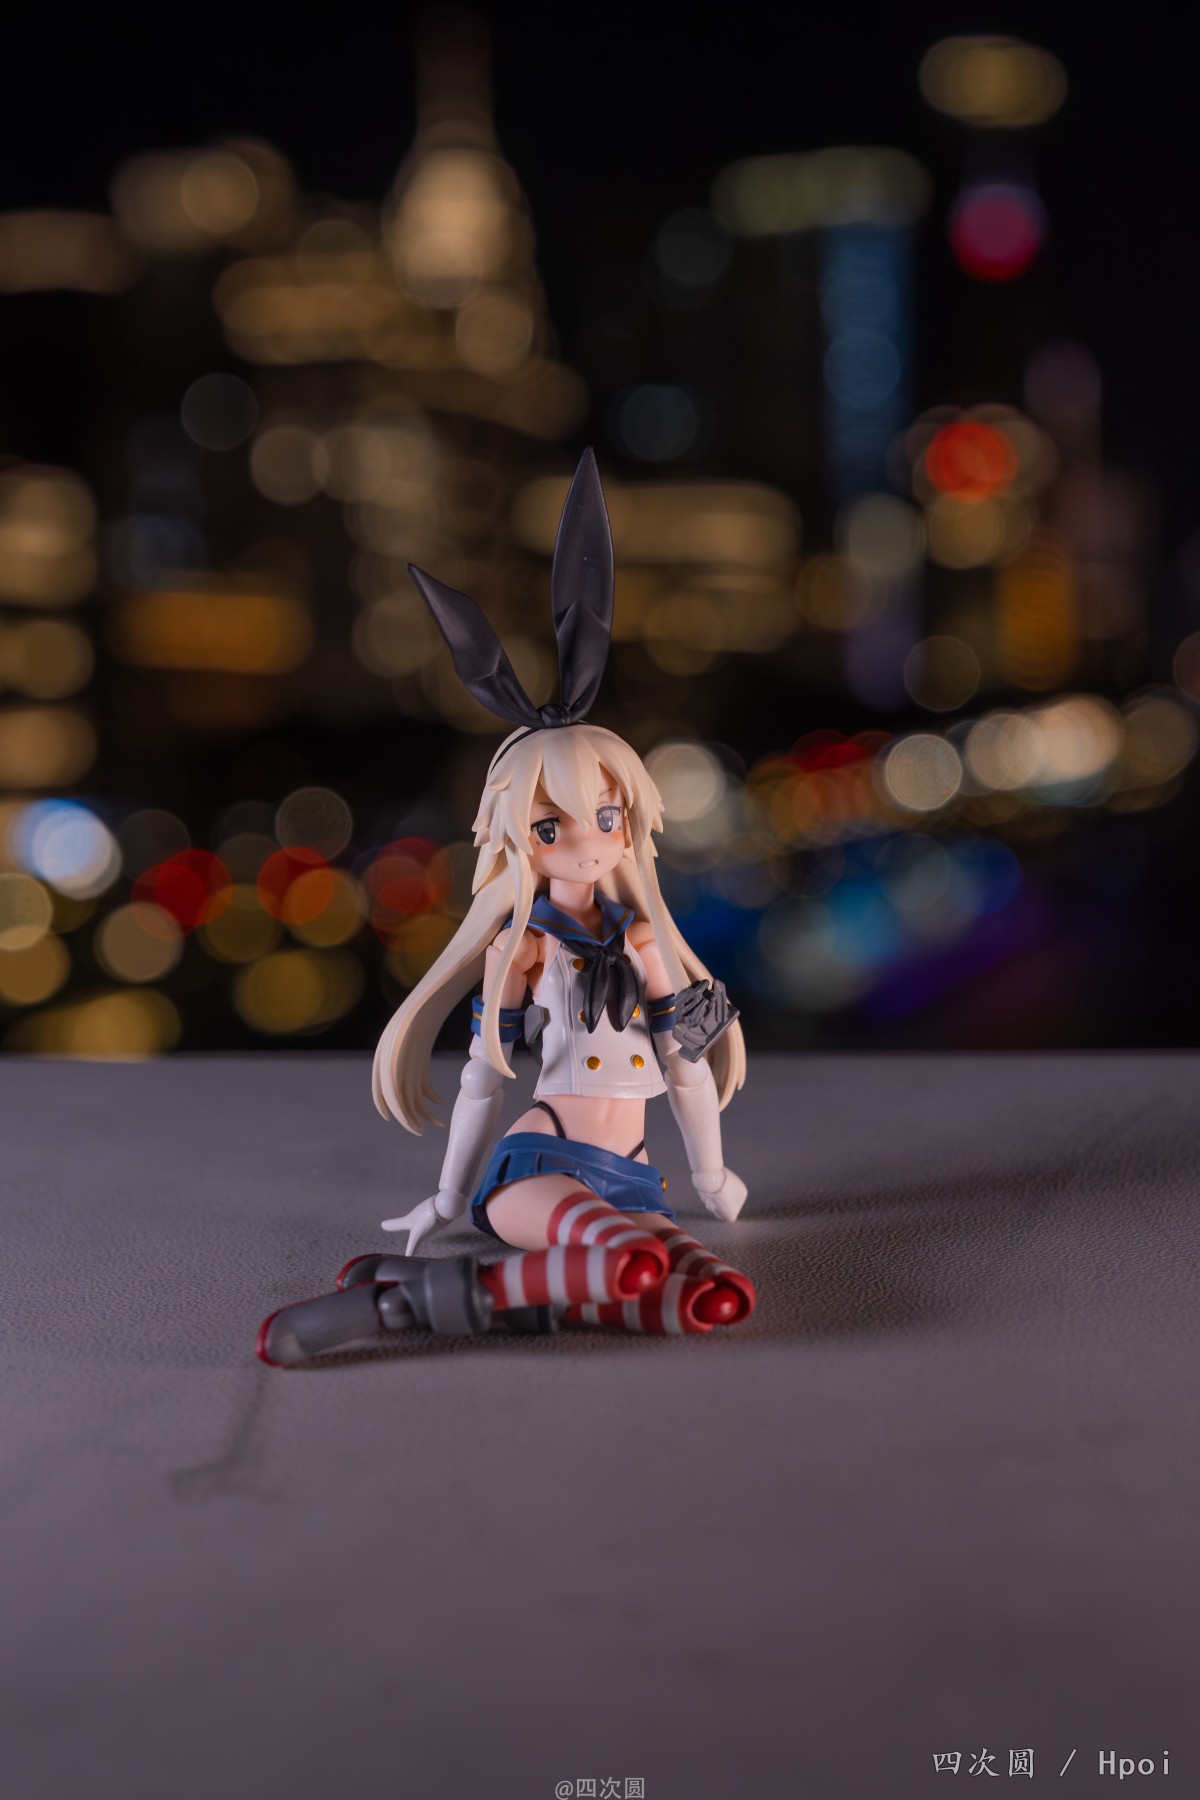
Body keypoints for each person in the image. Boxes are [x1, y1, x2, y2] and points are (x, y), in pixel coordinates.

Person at [257, 452, 754, 1365]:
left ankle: (404, 1292)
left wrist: (711, 1173)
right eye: (552, 826)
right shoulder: (525, 948)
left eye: (607, 817)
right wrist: (449, 1199)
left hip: (634, 1178)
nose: (588, 843)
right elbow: (485, 1078)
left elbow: (685, 1069)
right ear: (520, 839)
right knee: (623, 1256)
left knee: (701, 1285)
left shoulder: (647, 940)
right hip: (540, 1165)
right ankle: (409, 1306)